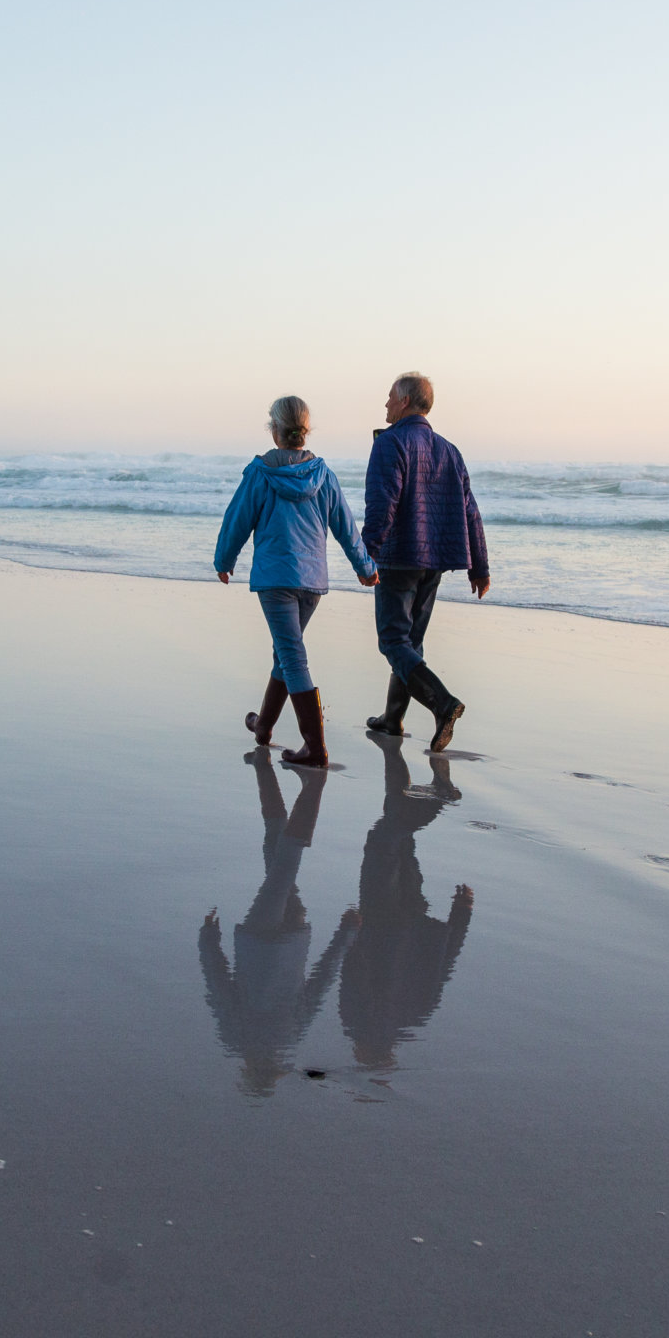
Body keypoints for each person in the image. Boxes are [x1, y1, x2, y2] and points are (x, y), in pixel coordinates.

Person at [214, 395, 378, 768]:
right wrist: (365, 565)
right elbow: (346, 528)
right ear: (305, 432)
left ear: (275, 431)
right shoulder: (323, 475)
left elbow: (237, 519)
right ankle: (264, 726)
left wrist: (224, 560)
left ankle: (314, 747)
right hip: (312, 581)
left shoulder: (260, 473)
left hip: (276, 580)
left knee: (291, 655)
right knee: (285, 653)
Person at [197, 751, 355, 1096]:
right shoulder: (237, 1039)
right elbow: (219, 988)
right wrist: (207, 941)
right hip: (259, 941)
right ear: (250, 1070)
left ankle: (265, 773)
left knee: (276, 855)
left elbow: (318, 986)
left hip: (294, 938)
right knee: (282, 863)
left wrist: (344, 936)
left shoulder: (289, 1040)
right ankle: (311, 788)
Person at [359, 371, 489, 750]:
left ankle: (443, 703)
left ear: (404, 401)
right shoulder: (450, 450)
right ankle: (392, 720)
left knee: (393, 641)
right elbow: (471, 511)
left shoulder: (391, 444)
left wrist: (368, 551)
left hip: (400, 556)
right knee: (410, 641)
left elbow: (382, 502)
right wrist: (480, 566)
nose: (384, 404)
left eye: (388, 397)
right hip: (435, 559)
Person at [338, 731, 475, 1071]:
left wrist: (462, 915)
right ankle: (438, 801)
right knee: (382, 840)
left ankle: (394, 756)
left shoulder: (416, 1019)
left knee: (400, 840)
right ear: (368, 1056)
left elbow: (443, 967)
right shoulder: (358, 1023)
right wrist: (349, 934)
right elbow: (352, 976)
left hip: (415, 916)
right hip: (380, 920)